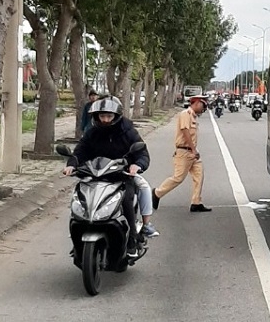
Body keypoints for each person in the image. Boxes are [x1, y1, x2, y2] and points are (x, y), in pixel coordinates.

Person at [62, 96, 158, 257]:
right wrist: (72, 164)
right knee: (79, 198)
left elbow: (142, 153)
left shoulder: (128, 132)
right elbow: (80, 151)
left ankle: (134, 238)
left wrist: (137, 165)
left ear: (117, 116)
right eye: (102, 116)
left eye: (109, 116)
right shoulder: (92, 133)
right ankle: (77, 239)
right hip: (95, 175)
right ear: (96, 116)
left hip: (122, 175)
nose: (105, 120)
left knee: (133, 194)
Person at [152, 95, 212, 213]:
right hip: (184, 152)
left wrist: (195, 150)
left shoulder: (194, 117)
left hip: (192, 152)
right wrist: (193, 149)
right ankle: (157, 193)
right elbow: (185, 132)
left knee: (199, 176)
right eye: (203, 105)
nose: (204, 109)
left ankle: (196, 202)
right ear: (197, 103)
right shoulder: (185, 114)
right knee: (178, 178)